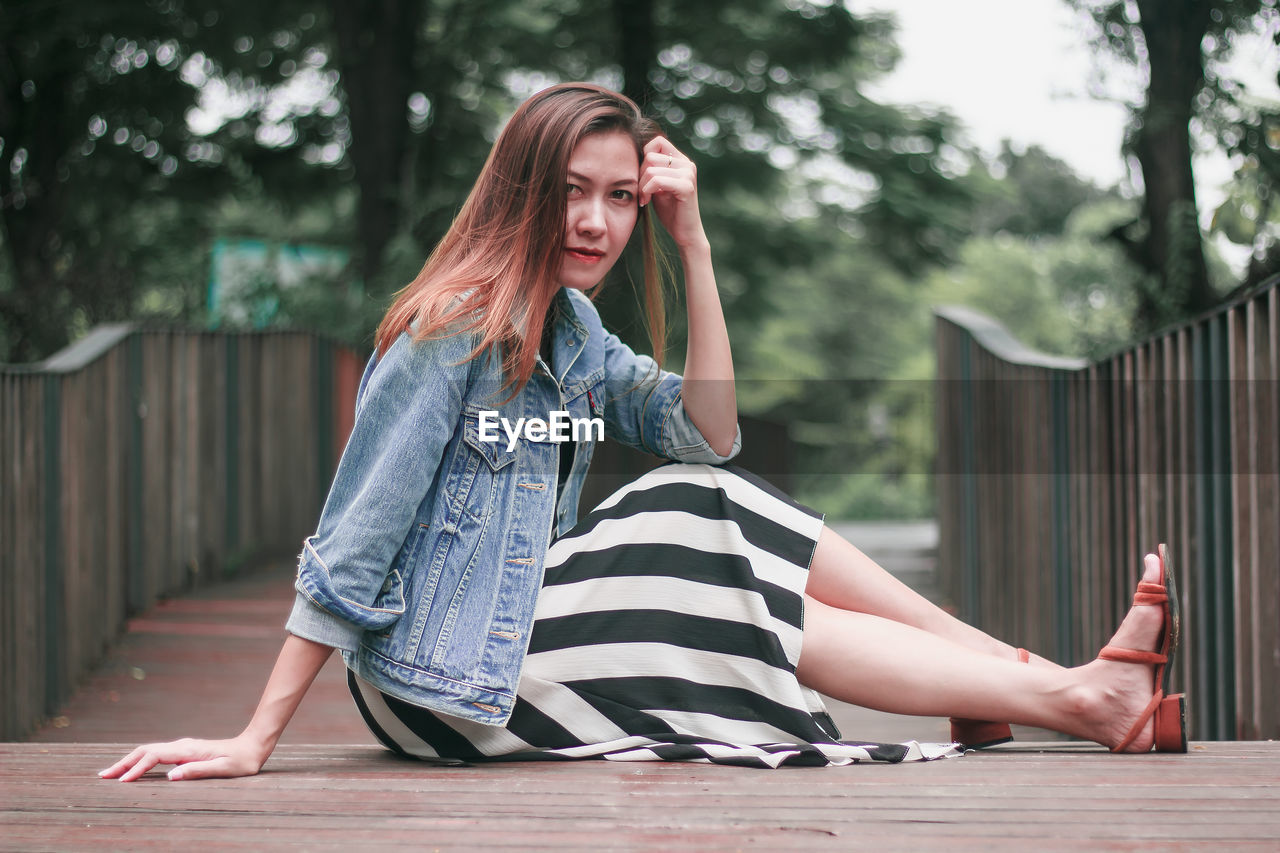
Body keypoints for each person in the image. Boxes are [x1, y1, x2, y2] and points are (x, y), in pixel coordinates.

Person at [100, 83, 1186, 781]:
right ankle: (1066, 694)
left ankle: (1018, 680)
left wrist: (694, 245)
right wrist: (253, 741)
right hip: (433, 687)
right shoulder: (446, 337)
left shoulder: (569, 331)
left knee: (700, 498)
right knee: (686, 527)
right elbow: (351, 548)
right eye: (573, 193)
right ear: (524, 193)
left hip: (515, 640)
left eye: (619, 199)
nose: (595, 222)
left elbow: (707, 431)